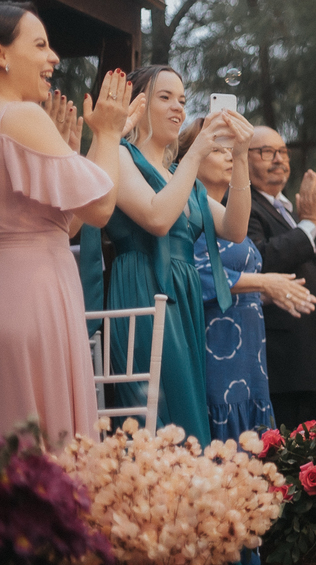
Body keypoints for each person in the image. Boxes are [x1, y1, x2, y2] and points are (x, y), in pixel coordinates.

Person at [89, 65, 254, 445]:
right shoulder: (121, 155)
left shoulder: (181, 176)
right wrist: (197, 153)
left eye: (182, 99)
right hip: (143, 289)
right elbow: (157, 218)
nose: (179, 108)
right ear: (138, 105)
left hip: (184, 299)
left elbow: (235, 229)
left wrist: (241, 156)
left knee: (186, 411)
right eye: (165, 98)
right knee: (154, 415)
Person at [0, 2, 135, 445]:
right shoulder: (20, 116)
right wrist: (109, 133)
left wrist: (82, 151)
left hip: (14, 294)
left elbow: (67, 225)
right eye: (40, 45)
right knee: (50, 451)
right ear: (2, 54)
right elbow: (100, 208)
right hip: (36, 297)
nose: (54, 57)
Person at [178, 119, 316, 442]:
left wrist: (269, 292)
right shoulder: (185, 209)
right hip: (216, 347)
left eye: (232, 150)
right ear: (189, 158)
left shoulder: (231, 213)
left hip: (249, 356)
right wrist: (263, 283)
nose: (230, 156)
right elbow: (195, 273)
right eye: (218, 150)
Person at [246, 125, 316, 429]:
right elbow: (259, 261)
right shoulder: (243, 205)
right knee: (288, 455)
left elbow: (308, 277)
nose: (278, 159)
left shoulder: (285, 209)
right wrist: (309, 225)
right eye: (266, 151)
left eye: (283, 151)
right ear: (242, 158)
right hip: (287, 368)